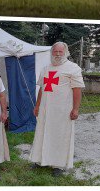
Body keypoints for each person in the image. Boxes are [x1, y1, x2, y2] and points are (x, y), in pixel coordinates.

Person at [30, 42, 85, 176]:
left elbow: (77, 90)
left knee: (60, 135)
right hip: (45, 108)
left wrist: (76, 109)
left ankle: (58, 165)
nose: (58, 54)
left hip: (62, 109)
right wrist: (37, 106)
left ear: (66, 52)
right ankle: (39, 160)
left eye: (61, 51)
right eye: (55, 51)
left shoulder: (73, 68)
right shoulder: (46, 68)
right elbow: (42, 89)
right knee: (42, 132)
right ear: (52, 52)